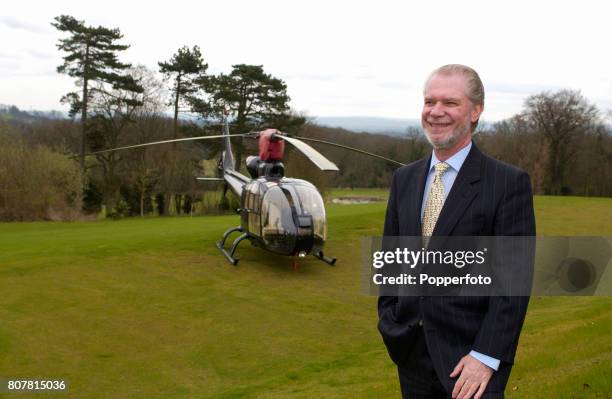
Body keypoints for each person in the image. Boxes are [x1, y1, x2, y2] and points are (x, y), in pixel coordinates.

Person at [378, 64, 536, 399]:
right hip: (411, 356)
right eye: (429, 101)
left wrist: (485, 356)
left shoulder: (508, 183)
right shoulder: (404, 180)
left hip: (471, 366)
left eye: (449, 103)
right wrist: (390, 323)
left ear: (476, 111)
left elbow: (514, 281)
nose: (436, 112)